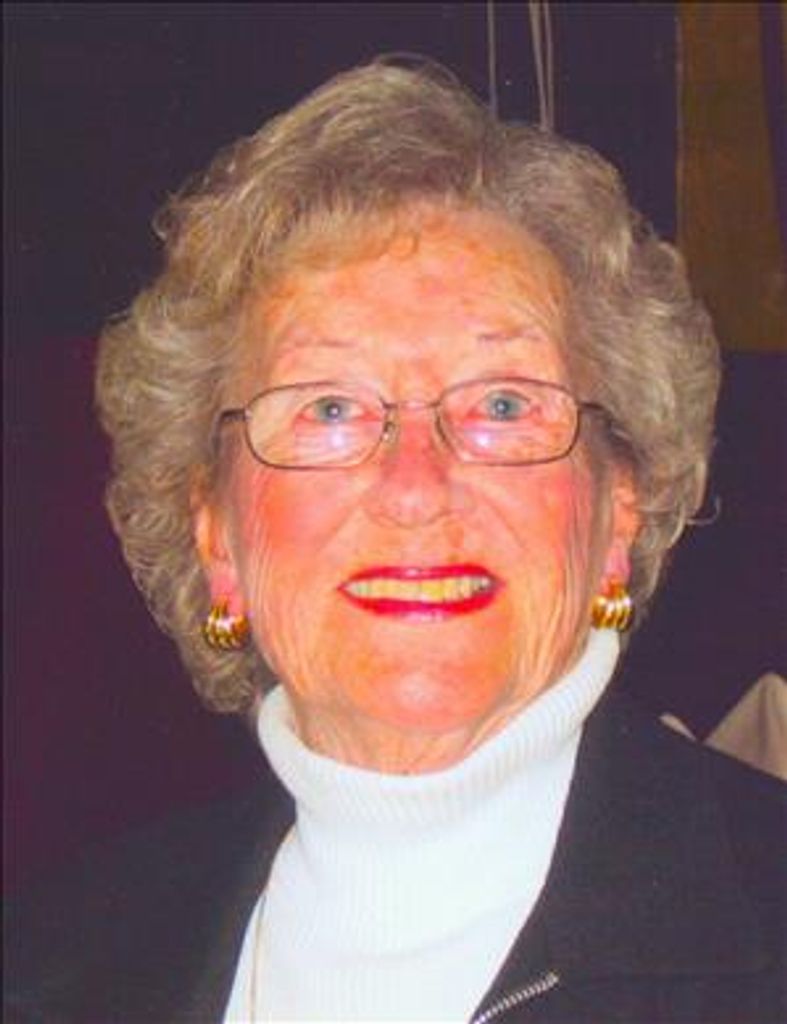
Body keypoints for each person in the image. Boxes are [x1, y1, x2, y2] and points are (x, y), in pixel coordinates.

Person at [7, 59, 785, 1023]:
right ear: (215, 534)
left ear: (617, 507)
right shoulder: (47, 962)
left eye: (503, 404)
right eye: (329, 408)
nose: (415, 489)